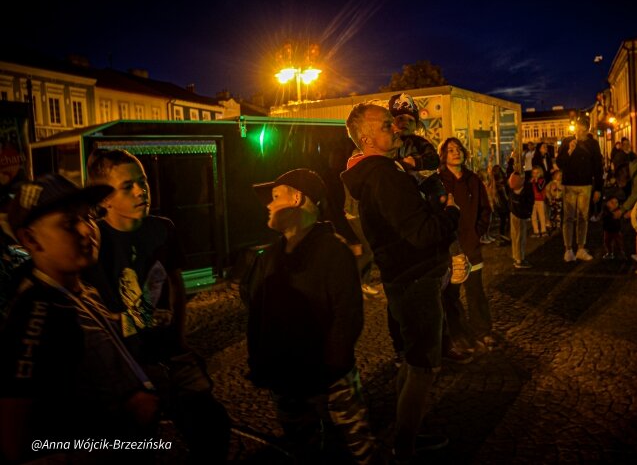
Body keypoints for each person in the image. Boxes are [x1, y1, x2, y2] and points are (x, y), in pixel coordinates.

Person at [83, 148, 231, 462]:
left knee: (210, 426)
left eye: (143, 182)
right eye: (127, 186)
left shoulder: (162, 229)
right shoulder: (94, 242)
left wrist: (179, 339)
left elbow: (176, 284)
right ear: (105, 198)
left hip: (171, 354)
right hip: (127, 366)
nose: (141, 191)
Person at [1, 174, 159, 464]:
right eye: (67, 223)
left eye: (87, 217)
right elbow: (16, 442)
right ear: (30, 238)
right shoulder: (37, 312)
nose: (87, 230)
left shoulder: (80, 288)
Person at [341, 103, 458, 461]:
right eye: (386, 125)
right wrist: (450, 212)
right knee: (423, 365)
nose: (395, 129)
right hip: (416, 277)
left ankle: (407, 432)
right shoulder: (385, 176)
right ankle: (405, 445)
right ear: (366, 138)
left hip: (402, 277)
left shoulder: (380, 174)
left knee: (411, 360)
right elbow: (421, 232)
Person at [245, 169, 377, 464]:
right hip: (284, 379)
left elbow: (347, 314)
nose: (268, 205)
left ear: (298, 199)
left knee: (353, 450)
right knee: (302, 448)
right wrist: (259, 360)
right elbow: (256, 310)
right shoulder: (269, 256)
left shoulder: (333, 252)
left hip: (326, 381)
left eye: (276, 197)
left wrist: (331, 368)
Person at [388, 92, 470, 285]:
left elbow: (433, 159)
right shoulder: (389, 144)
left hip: (430, 190)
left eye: (410, 119)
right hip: (405, 196)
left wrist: (415, 162)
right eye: (400, 118)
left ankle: (456, 257)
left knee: (443, 221)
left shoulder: (420, 143)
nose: (405, 122)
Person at [438, 137, 496, 350]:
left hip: (471, 245)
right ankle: (458, 335)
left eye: (459, 149)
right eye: (450, 150)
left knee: (476, 291)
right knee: (450, 296)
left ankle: (482, 330)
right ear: (444, 156)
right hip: (450, 248)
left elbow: (485, 209)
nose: (456, 152)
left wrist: (476, 232)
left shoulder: (473, 180)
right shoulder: (439, 182)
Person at [556, 116, 603, 262]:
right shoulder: (566, 142)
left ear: (587, 130)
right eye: (577, 129)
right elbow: (560, 163)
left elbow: (598, 167)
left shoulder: (593, 144)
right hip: (569, 185)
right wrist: (569, 151)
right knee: (568, 218)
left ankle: (581, 248)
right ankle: (568, 249)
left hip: (585, 185)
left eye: (582, 130)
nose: (579, 133)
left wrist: (598, 189)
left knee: (583, 218)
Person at [508, 170, 534, 269]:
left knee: (515, 236)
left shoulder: (512, 190)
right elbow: (529, 202)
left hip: (513, 213)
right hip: (520, 215)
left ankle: (516, 256)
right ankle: (519, 260)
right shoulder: (523, 190)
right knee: (520, 237)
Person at [601, 195, 624, 260]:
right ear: (607, 203)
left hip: (616, 230)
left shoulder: (618, 212)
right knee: (607, 242)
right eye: (612, 202)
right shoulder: (605, 211)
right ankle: (609, 253)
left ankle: (620, 253)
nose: (614, 204)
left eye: (616, 202)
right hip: (607, 230)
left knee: (619, 242)